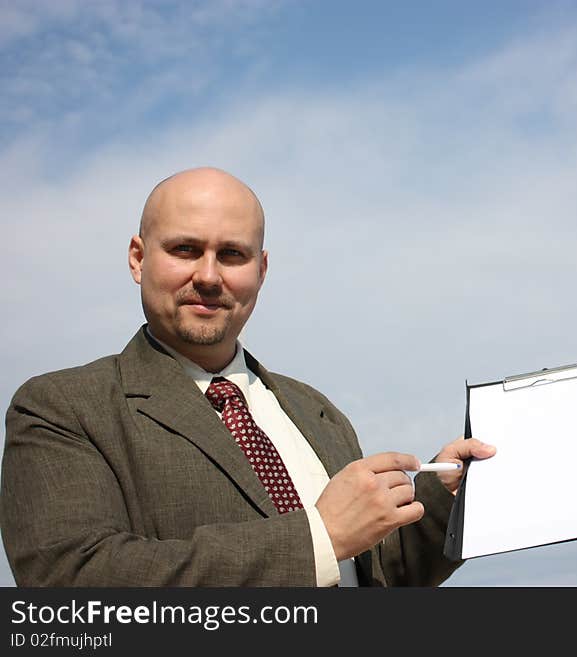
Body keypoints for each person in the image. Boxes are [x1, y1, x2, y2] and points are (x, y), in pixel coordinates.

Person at [0, 167, 495, 586]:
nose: (210, 276)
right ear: (138, 258)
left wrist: (444, 498)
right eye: (185, 249)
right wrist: (318, 537)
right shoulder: (61, 407)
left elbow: (371, 572)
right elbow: (74, 578)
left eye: (232, 254)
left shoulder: (317, 412)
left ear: (261, 269)